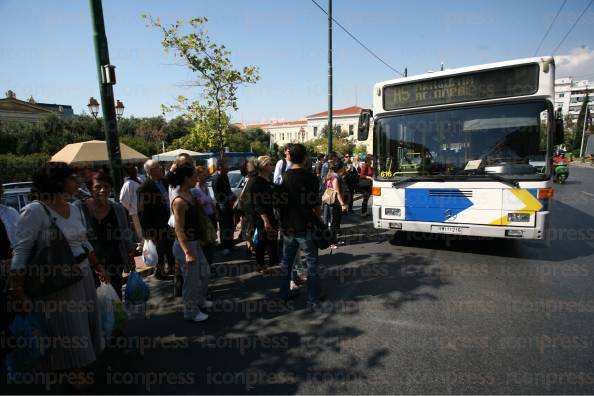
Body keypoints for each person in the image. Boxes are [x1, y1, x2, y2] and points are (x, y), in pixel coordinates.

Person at [8, 162, 107, 387]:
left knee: (85, 323)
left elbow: (84, 241)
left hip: (83, 275)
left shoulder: (74, 207)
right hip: (58, 282)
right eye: (71, 178)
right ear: (57, 183)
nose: (77, 182)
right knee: (68, 328)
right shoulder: (35, 211)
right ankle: (72, 372)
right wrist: (19, 291)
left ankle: (79, 366)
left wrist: (97, 266)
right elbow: (21, 252)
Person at [75, 170, 135, 299]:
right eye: (98, 187)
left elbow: (125, 234)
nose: (103, 190)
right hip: (89, 265)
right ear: (90, 189)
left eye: (106, 186)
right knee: (93, 301)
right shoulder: (79, 208)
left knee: (115, 299)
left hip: (114, 263)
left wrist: (130, 255)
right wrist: (96, 266)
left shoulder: (117, 209)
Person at [278, 143, 323, 308]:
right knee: (312, 263)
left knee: (286, 263)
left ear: (289, 157)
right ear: (305, 158)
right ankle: (312, 299)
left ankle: (283, 296)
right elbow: (315, 205)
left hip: (288, 227)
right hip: (306, 227)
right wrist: (317, 221)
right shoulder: (310, 178)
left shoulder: (283, 177)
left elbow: (279, 204)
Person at [170, 164, 212, 322]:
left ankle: (199, 301)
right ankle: (191, 311)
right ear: (186, 179)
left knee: (205, 272)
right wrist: (187, 252)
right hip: (185, 246)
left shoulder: (190, 194)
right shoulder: (179, 201)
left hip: (194, 243)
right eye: (194, 176)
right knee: (190, 281)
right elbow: (179, 229)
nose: (197, 178)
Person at [138, 159, 174, 279]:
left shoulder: (164, 181)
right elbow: (142, 212)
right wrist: (147, 232)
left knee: (170, 246)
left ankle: (172, 269)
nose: (161, 169)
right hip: (156, 225)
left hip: (169, 221)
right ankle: (160, 272)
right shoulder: (144, 188)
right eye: (158, 167)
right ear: (151, 171)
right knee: (159, 249)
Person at [244, 156, 279, 272]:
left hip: (269, 215)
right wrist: (266, 221)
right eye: (270, 164)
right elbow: (258, 204)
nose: (272, 166)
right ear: (264, 166)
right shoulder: (256, 182)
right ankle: (261, 264)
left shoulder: (266, 180)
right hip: (261, 217)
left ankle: (273, 262)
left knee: (270, 240)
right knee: (261, 241)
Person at [192, 165, 218, 267]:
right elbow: (199, 204)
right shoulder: (195, 189)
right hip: (203, 219)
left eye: (206, 173)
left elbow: (210, 200)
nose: (206, 175)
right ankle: (205, 264)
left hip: (211, 216)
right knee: (206, 241)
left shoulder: (205, 186)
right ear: (197, 176)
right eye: (203, 173)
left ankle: (209, 263)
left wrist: (216, 211)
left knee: (212, 240)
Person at [212, 160, 235, 256]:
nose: (228, 167)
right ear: (220, 166)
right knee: (224, 226)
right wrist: (227, 199)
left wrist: (232, 197)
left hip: (228, 204)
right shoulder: (216, 178)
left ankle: (230, 245)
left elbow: (228, 190)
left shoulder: (225, 176)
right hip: (222, 206)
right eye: (226, 165)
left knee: (230, 225)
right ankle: (224, 246)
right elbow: (217, 196)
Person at [119, 164, 143, 249]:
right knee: (141, 233)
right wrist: (131, 208)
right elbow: (122, 199)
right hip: (136, 212)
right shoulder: (127, 184)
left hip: (145, 210)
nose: (134, 170)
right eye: (131, 169)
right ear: (128, 172)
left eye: (134, 168)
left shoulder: (140, 179)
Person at [325, 161, 349, 241]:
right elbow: (337, 191)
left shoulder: (334, 176)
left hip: (336, 202)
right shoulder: (335, 177)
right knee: (335, 222)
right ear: (340, 168)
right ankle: (332, 241)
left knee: (336, 222)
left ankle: (334, 239)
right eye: (343, 167)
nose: (344, 168)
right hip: (336, 203)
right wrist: (342, 204)